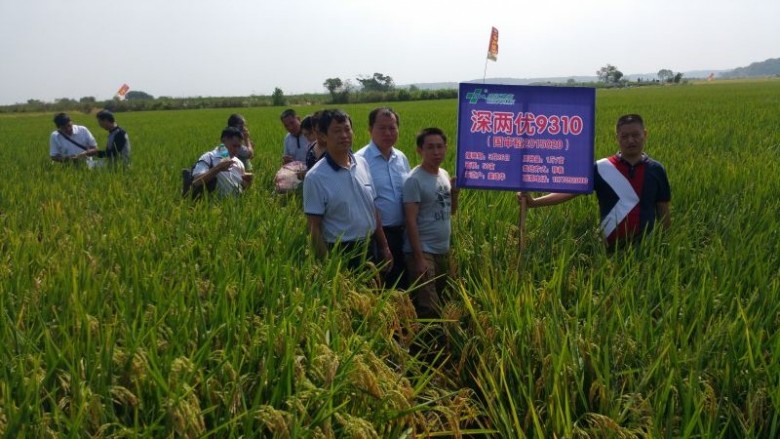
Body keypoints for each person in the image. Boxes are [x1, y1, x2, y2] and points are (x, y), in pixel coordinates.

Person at [517, 114, 671, 248]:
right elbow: (570, 191)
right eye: (624, 136)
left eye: (636, 135)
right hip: (607, 250)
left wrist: (664, 245)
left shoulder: (656, 170)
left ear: (645, 134)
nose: (631, 140)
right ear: (617, 137)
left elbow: (663, 212)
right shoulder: (602, 167)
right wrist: (534, 202)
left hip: (646, 249)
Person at [303, 109, 393, 271]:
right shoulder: (315, 177)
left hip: (370, 245)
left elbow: (372, 209)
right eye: (337, 131)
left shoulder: (362, 163)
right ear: (323, 136)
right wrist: (328, 266)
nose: (344, 135)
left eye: (347, 129)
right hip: (341, 251)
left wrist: (384, 246)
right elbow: (313, 228)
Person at [403, 127, 459, 320]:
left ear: (446, 148)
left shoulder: (443, 174)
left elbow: (451, 211)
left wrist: (455, 193)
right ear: (420, 150)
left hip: (442, 249)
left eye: (440, 147)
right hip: (423, 251)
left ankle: (439, 336)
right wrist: (419, 258)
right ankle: (429, 339)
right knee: (429, 306)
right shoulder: (414, 180)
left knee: (442, 298)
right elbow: (410, 220)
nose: (436, 152)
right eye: (430, 147)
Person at [356, 107, 411, 289]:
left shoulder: (401, 157)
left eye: (392, 128)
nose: (388, 133)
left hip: (403, 233)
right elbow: (363, 204)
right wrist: (382, 245)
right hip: (377, 237)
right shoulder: (360, 160)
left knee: (404, 283)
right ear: (370, 129)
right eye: (382, 128)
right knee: (384, 286)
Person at [192, 127, 253, 198]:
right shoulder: (209, 157)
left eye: (239, 146)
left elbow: (242, 188)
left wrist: (248, 182)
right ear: (223, 141)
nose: (236, 150)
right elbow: (196, 182)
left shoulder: (238, 162)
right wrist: (218, 168)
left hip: (236, 204)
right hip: (215, 203)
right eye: (234, 146)